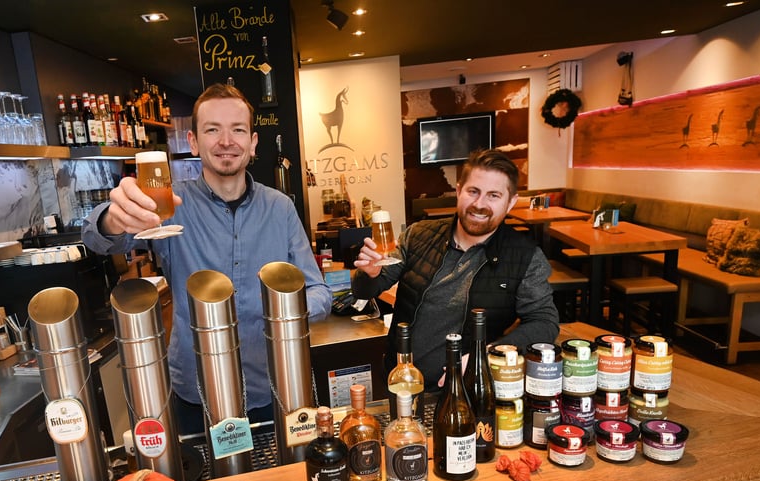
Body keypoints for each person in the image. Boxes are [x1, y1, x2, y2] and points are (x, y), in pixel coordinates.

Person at [82, 83, 332, 434]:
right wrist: (114, 217)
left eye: (237, 130)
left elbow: (320, 292)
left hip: (273, 388)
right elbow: (99, 240)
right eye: (212, 129)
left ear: (253, 142)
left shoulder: (280, 207)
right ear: (194, 142)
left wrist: (281, 309)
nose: (226, 141)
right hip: (195, 394)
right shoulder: (168, 205)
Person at [352, 148, 559, 388]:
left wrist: (487, 357)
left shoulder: (525, 257)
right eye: (473, 191)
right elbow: (364, 290)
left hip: (464, 391)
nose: (479, 204)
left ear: (510, 202)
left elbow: (544, 322)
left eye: (493, 195)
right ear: (459, 190)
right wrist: (368, 274)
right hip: (399, 379)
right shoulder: (418, 235)